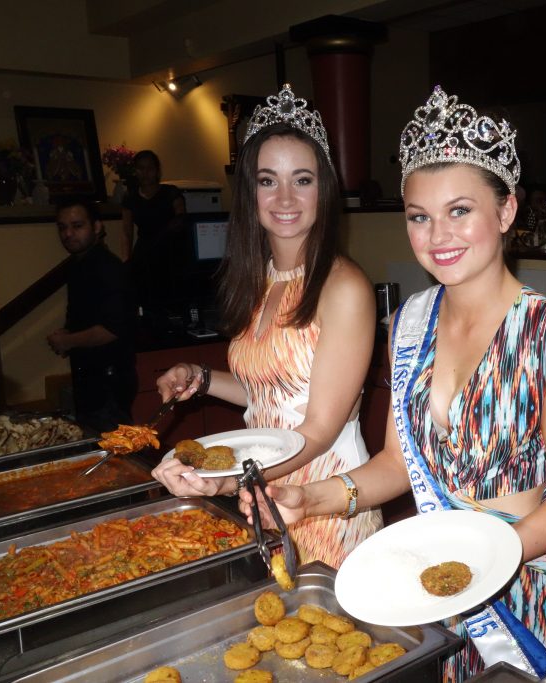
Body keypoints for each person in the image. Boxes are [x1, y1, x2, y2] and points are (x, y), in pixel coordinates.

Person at [239, 86, 546, 682]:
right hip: (430, 581)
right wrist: (313, 497)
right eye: (419, 217)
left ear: (506, 211)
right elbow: (396, 463)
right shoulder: (410, 322)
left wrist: (481, 563)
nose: (438, 236)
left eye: (460, 210)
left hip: (521, 585)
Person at [150, 84, 381, 568]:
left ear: (324, 189)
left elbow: (317, 428)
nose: (285, 198)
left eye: (302, 179)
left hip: (325, 495)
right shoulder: (259, 281)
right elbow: (269, 394)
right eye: (267, 180)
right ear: (249, 191)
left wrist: (229, 480)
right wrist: (204, 378)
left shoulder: (344, 288)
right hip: (264, 492)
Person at [48, 199, 138, 433]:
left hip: (109, 382)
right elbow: (85, 317)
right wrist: (67, 333)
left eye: (77, 226)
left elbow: (112, 329)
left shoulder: (108, 268)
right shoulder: (79, 265)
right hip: (89, 378)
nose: (68, 234)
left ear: (97, 227)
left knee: (114, 454)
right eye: (62, 227)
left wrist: (67, 341)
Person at [120, 150, 186, 305]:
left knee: (172, 298)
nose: (145, 173)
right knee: (144, 299)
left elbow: (181, 218)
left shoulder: (171, 192)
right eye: (140, 168)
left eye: (149, 168)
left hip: (169, 252)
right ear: (135, 171)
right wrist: (126, 261)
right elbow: (126, 232)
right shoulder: (130, 198)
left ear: (157, 171)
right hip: (144, 253)